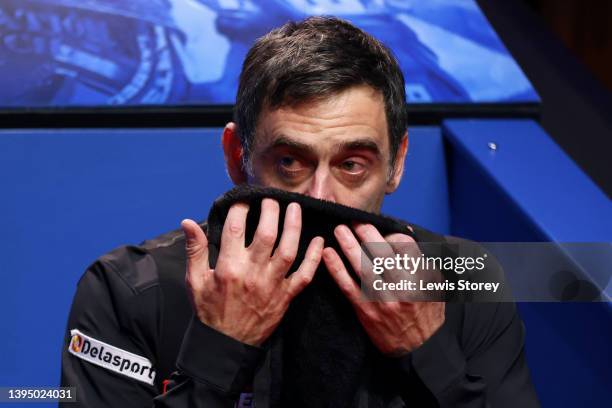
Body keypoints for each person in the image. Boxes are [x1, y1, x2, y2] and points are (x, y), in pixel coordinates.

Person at [61, 16, 539, 407]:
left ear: (397, 165)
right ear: (236, 157)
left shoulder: (465, 285)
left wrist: (428, 354)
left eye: (352, 165)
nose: (322, 195)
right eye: (290, 162)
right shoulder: (128, 293)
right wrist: (220, 348)